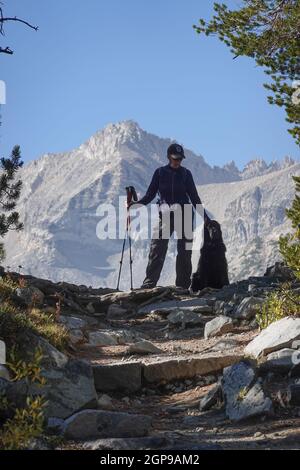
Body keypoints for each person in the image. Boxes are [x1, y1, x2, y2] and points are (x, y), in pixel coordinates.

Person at [128, 143, 210, 289]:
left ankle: (183, 287)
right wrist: (136, 205)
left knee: (185, 251)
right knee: (157, 248)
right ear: (168, 157)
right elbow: (149, 195)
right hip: (165, 215)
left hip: (184, 214)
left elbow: (194, 197)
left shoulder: (186, 174)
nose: (178, 161)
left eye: (180, 159)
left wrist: (205, 218)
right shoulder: (160, 173)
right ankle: (149, 283)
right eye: (175, 158)